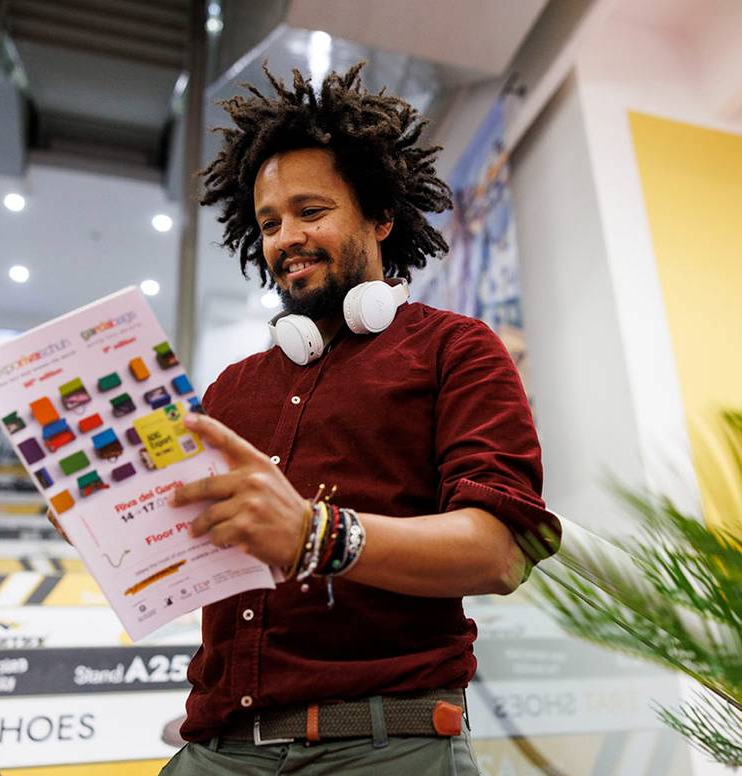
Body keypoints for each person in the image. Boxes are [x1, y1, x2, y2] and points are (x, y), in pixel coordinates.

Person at [63, 62, 560, 774]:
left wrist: (317, 535)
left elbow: (501, 552)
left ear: (381, 216)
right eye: (269, 223)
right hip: (216, 747)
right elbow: (185, 557)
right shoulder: (230, 391)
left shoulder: (457, 350)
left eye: (311, 211)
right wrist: (104, 517)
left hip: (386, 745)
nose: (285, 237)